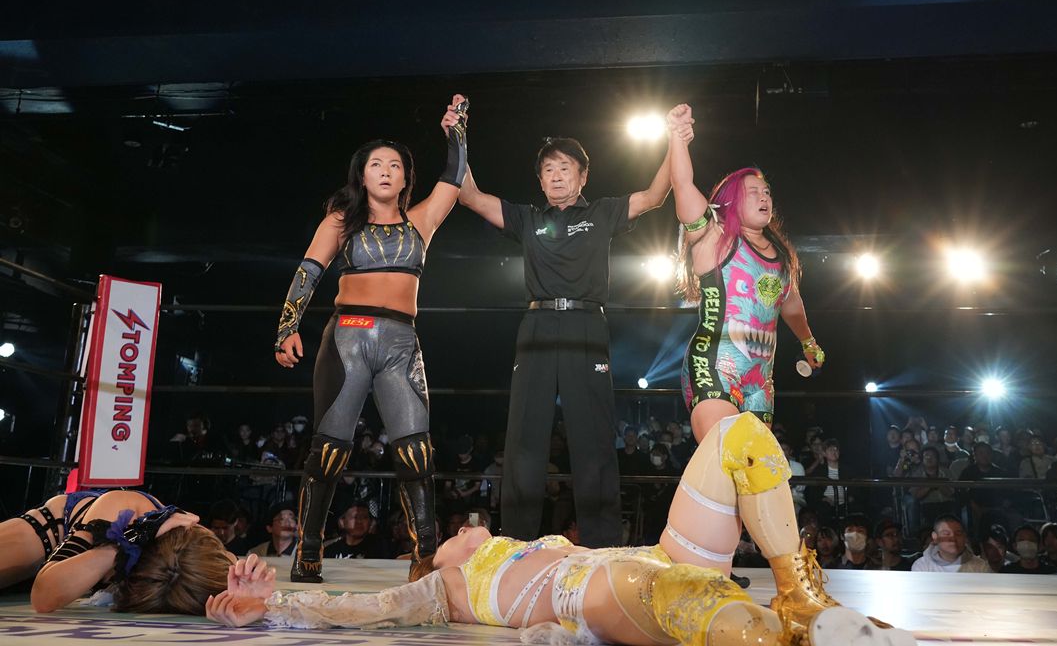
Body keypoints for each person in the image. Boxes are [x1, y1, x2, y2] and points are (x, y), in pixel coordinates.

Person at [207, 411, 914, 646]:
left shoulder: (523, 545)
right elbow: (366, 609)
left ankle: (801, 598)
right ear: (437, 562)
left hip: (661, 555)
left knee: (738, 433)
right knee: (693, 600)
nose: (462, 530)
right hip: (615, 589)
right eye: (448, 537)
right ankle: (797, 635)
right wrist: (272, 604)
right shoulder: (449, 585)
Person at [272, 95, 468, 581]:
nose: (385, 171)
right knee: (329, 449)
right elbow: (308, 272)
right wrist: (287, 328)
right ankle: (308, 550)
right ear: (362, 175)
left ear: (404, 179)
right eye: (376, 164)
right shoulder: (341, 221)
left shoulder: (422, 220)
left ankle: (425, 558)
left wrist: (457, 131)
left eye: (394, 165)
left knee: (416, 451)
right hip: (348, 338)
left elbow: (453, 177)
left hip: (401, 342)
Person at [456, 128, 671, 547]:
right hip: (536, 326)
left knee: (593, 438)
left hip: (586, 325)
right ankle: (514, 544)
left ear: (583, 175)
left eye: (565, 168)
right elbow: (469, 196)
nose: (556, 176)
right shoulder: (527, 219)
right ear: (540, 180)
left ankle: (602, 546)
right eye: (549, 170)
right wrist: (458, 136)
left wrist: (676, 140)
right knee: (524, 437)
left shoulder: (603, 213)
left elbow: (655, 195)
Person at [665, 104, 822, 442]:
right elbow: (683, 184)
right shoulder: (715, 236)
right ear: (733, 200)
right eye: (754, 192)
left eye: (767, 192)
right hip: (715, 365)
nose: (764, 197)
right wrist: (677, 137)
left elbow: (791, 303)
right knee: (723, 456)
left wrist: (808, 341)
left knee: (753, 468)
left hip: (760, 381)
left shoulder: (782, 256)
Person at [0, 488, 232, 614]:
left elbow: (231, 567)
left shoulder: (200, 568)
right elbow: (43, 598)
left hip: (70, 584)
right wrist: (129, 540)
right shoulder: (125, 507)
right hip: (46, 540)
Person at [910, 515, 990, 573]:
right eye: (946, 534)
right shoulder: (922, 566)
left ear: (964, 537)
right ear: (935, 537)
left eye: (958, 534)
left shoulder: (981, 566)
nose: (953, 538)